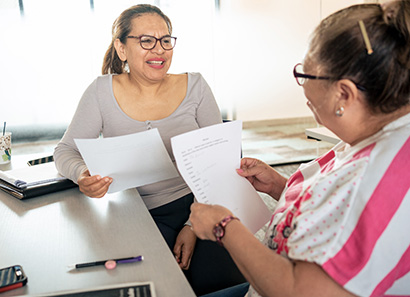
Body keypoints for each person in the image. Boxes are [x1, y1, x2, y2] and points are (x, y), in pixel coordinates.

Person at [190, 1, 410, 296]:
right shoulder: (381, 133)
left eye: (305, 74)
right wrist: (281, 186)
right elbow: (337, 214)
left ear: (343, 93)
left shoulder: (375, 178)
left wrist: (223, 226)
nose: (301, 83)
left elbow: (299, 290)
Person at [54, 4, 245, 295]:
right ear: (121, 48)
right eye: (146, 40)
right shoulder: (100, 92)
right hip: (132, 214)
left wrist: (193, 225)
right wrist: (82, 174)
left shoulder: (196, 86)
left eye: (166, 40)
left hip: (197, 205)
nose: (159, 50)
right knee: (148, 287)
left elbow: (222, 162)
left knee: (222, 285)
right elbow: (65, 151)